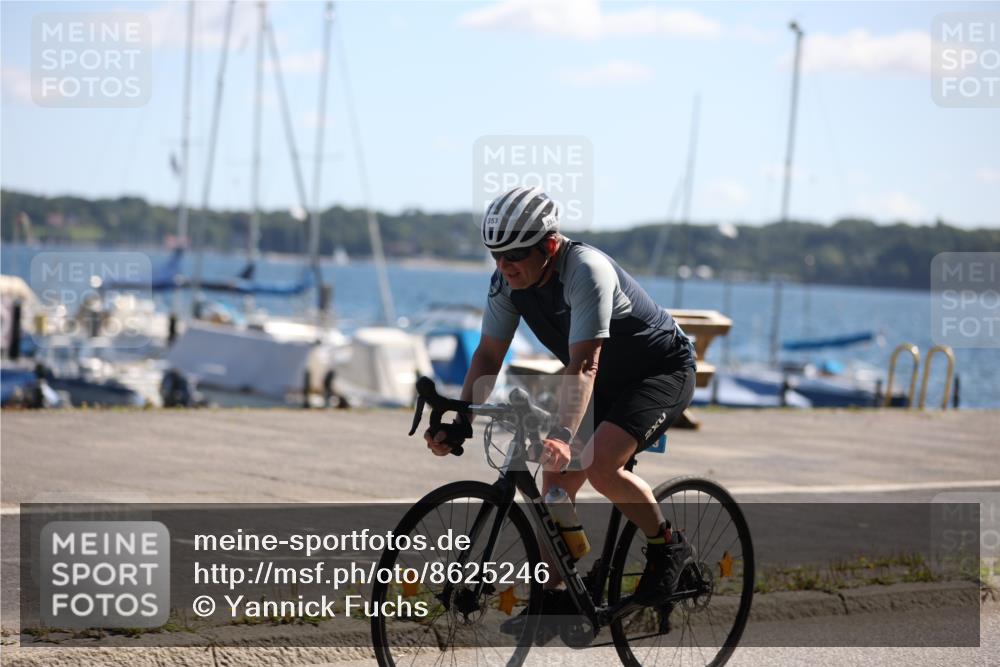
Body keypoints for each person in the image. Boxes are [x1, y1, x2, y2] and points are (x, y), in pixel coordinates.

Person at [424, 185, 697, 623]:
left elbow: (585, 363)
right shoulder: (506, 283)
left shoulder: (586, 271)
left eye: (513, 254)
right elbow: (489, 356)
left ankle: (668, 546)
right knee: (554, 488)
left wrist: (564, 433)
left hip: (660, 373)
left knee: (601, 463)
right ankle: (556, 591)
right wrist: (462, 417)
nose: (503, 265)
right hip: (602, 378)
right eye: (494, 254)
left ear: (549, 245)